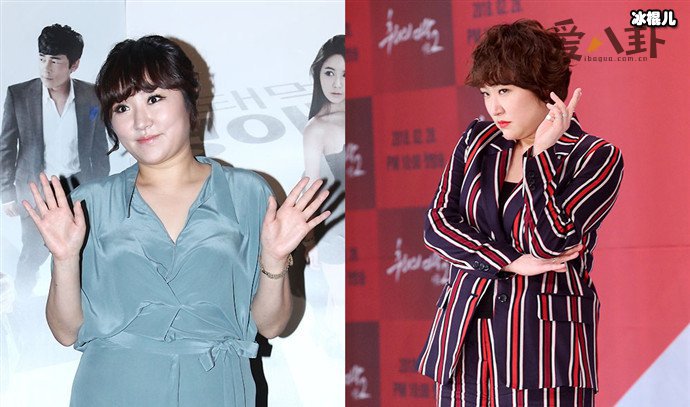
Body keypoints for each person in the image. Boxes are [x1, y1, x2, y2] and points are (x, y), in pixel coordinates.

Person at [21, 35, 330, 407]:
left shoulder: (246, 193)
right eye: (122, 107)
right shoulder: (88, 204)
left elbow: (272, 325)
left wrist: (275, 259)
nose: (141, 121)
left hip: (216, 390)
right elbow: (66, 331)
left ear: (188, 97)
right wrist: (65, 259)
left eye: (154, 98)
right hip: (112, 390)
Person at [416, 20, 624, 406]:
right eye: (486, 93)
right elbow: (438, 224)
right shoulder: (478, 141)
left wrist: (540, 157)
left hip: (542, 351)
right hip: (465, 343)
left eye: (505, 91)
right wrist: (508, 260)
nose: (493, 107)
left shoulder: (594, 156)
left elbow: (549, 244)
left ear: (544, 90)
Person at [0, 23, 110, 296]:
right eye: (42, 59)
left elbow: (99, 148)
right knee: (32, 254)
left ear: (74, 65)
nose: (46, 69)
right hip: (35, 190)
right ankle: (22, 307)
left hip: (78, 188)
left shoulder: (92, 96)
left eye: (55, 61)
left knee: (84, 253)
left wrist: (100, 189)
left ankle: (81, 305)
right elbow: (6, 147)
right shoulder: (19, 95)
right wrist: (5, 193)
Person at [302, 34, 345, 342]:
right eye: (329, 72)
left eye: (346, 75)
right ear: (318, 74)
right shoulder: (317, 128)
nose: (336, 83)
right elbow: (311, 185)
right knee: (342, 304)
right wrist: (312, 240)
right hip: (337, 231)